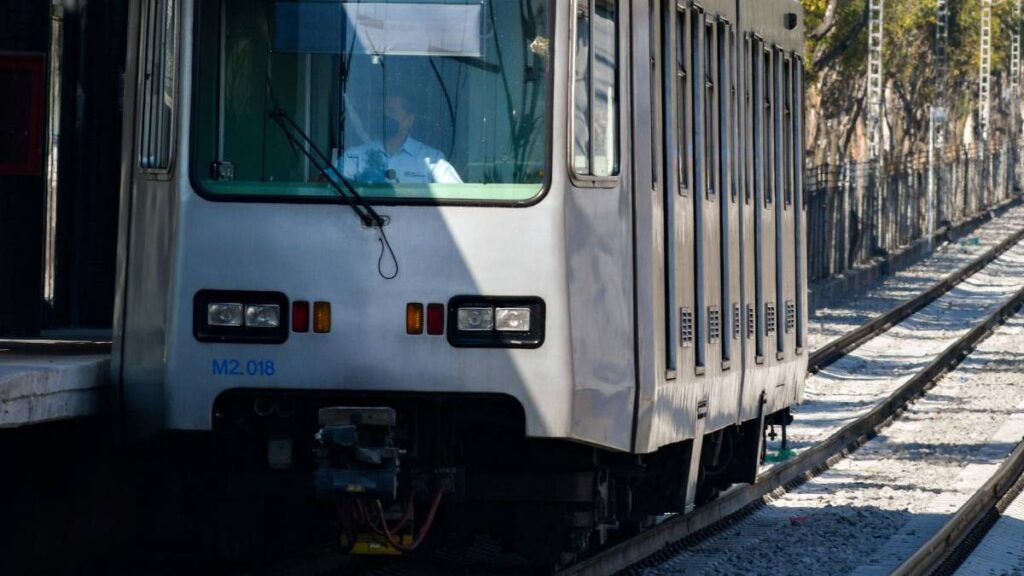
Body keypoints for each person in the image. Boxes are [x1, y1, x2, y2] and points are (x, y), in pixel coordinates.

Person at [337, 95, 462, 185]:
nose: (384, 116)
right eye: (382, 111)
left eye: (391, 111)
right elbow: (326, 184)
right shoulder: (355, 156)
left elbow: (458, 196)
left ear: (409, 120)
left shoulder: (431, 159)